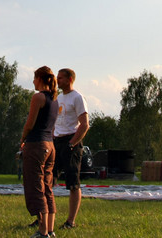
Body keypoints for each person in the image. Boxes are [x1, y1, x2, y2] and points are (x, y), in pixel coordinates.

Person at [21, 66, 59, 238]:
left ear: (40, 79)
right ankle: (50, 230)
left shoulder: (38, 97)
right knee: (47, 187)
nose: (33, 81)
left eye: (34, 78)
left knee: (35, 186)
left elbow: (30, 123)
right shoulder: (55, 99)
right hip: (50, 146)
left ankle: (42, 231)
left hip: (36, 144)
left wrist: (22, 139)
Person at [51, 68, 90, 230]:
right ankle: (44, 217)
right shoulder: (58, 98)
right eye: (57, 78)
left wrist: (72, 144)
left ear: (70, 79)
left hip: (71, 142)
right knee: (48, 180)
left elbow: (84, 124)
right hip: (56, 141)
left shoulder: (78, 98)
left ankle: (70, 221)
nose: (57, 81)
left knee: (73, 183)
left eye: (60, 78)